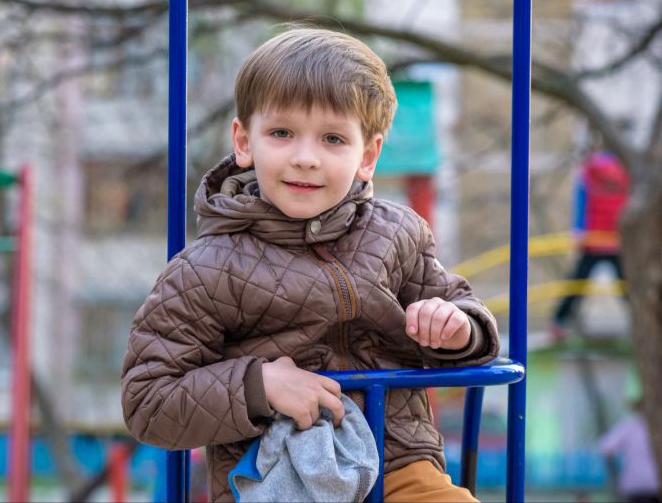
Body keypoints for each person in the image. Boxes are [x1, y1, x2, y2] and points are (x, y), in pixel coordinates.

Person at [121, 27, 500, 502]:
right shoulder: (207, 268)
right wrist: (259, 386)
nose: (305, 158)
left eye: (332, 139)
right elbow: (147, 401)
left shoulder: (398, 234)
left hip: (396, 465)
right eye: (282, 133)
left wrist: (458, 328)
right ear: (244, 142)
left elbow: (467, 320)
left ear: (368, 156)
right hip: (274, 475)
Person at [552, 147, 629, 337]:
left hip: (594, 239)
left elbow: (582, 201)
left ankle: (558, 322)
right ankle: (644, 322)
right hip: (616, 239)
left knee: (578, 282)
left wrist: (579, 229)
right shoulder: (626, 168)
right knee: (627, 287)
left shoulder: (589, 169)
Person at [598, 399, 659, 503]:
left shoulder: (629, 427)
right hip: (651, 485)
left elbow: (605, 447)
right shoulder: (631, 426)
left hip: (636, 485)